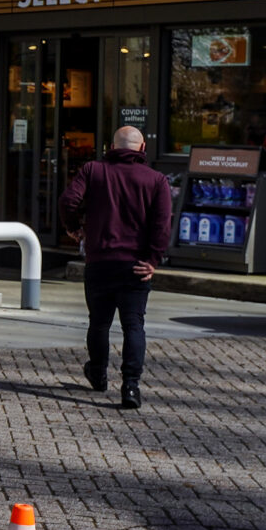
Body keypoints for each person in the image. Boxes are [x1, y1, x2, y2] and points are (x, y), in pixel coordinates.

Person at [59, 124, 173, 410]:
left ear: (111, 148)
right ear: (142, 149)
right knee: (133, 325)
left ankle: (98, 374)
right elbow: (162, 225)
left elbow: (67, 200)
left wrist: (74, 228)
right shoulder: (157, 180)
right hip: (135, 265)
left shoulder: (93, 170)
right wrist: (152, 260)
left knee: (99, 322)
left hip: (100, 261)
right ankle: (131, 386)